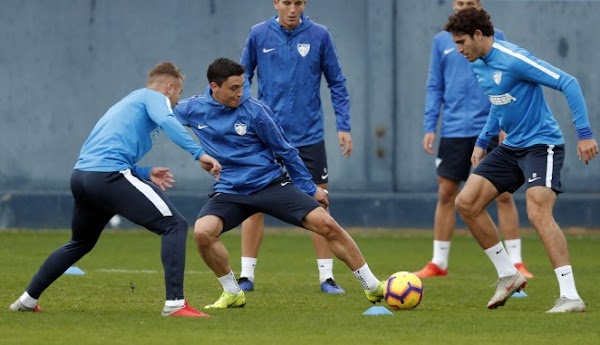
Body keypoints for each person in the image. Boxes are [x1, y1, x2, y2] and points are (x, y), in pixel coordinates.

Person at [9, 62, 222, 318]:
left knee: (80, 242)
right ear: (169, 87)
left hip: (82, 176)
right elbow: (167, 121)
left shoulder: (128, 102)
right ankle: (175, 304)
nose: (177, 100)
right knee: (174, 225)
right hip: (108, 176)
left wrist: (144, 172)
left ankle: (26, 300)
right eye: (179, 92)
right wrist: (199, 153)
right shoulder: (155, 97)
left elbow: (106, 151)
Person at [173, 57, 383, 309]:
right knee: (202, 233)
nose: (240, 93)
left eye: (242, 86)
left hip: (270, 184)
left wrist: (310, 188)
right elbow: (162, 115)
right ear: (214, 87)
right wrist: (198, 155)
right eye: (233, 88)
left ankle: (372, 286)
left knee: (327, 224)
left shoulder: (255, 111)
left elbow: (286, 151)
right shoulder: (193, 109)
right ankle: (232, 292)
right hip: (230, 191)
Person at [446, 8, 598, 312]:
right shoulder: (477, 64)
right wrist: (483, 140)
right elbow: (497, 101)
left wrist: (584, 133)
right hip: (512, 146)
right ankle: (508, 275)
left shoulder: (513, 58)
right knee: (466, 203)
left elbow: (568, 82)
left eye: (461, 42)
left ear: (478, 35)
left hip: (543, 144)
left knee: (538, 212)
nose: (458, 49)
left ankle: (571, 296)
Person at [237, 0, 352, 294]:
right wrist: (244, 116)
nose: (292, 8)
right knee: (254, 202)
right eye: (287, 2)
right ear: (276, 3)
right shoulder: (258, 34)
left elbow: (337, 82)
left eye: (298, 2)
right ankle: (246, 275)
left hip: (308, 135)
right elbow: (242, 77)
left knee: (320, 202)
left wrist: (343, 126)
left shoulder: (320, 35)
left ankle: (327, 278)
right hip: (266, 135)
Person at [416, 0, 534, 280]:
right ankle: (439, 262)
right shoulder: (440, 42)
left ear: (480, 6)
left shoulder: (497, 38)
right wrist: (430, 124)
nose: (464, 7)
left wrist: (507, 120)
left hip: (490, 127)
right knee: (446, 192)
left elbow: (509, 81)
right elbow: (435, 84)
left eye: (470, 3)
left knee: (503, 194)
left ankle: (516, 262)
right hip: (455, 128)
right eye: (460, 2)